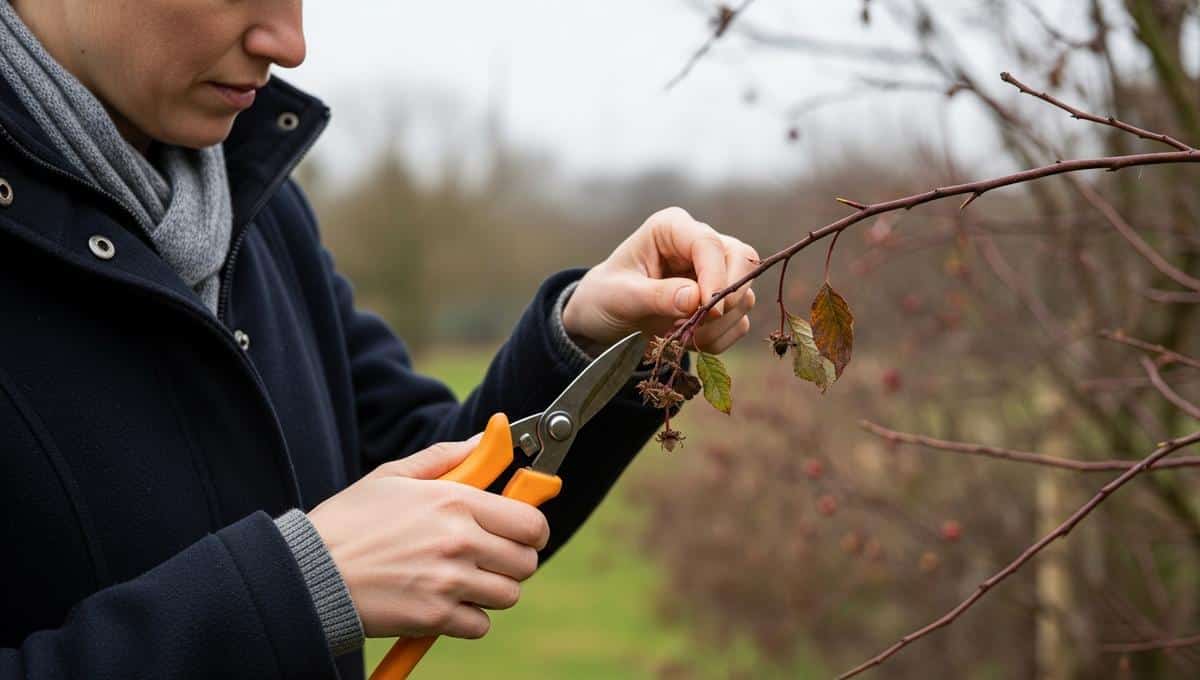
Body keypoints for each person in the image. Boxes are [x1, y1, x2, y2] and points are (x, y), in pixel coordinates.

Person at [0, 1, 759, 678]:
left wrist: (590, 340)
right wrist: (297, 589)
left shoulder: (265, 214)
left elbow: (437, 488)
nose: (291, 44)